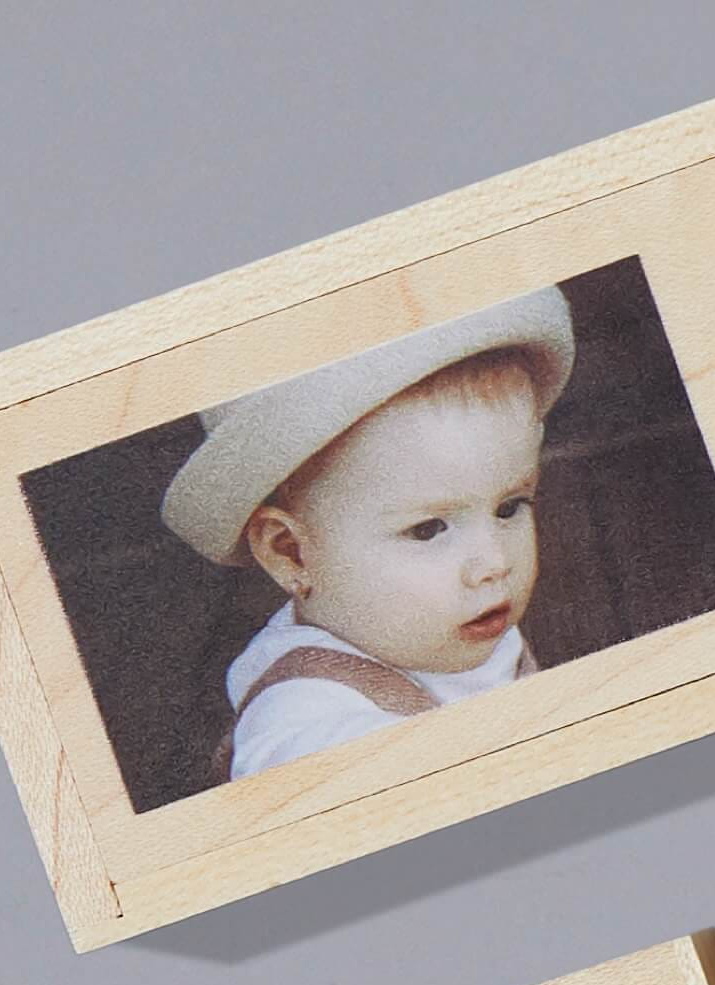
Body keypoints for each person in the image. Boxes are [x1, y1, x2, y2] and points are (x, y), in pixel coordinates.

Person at [160, 287, 572, 782]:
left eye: (509, 507)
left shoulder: (443, 630)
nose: (493, 564)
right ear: (290, 553)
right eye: (428, 529)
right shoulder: (304, 725)